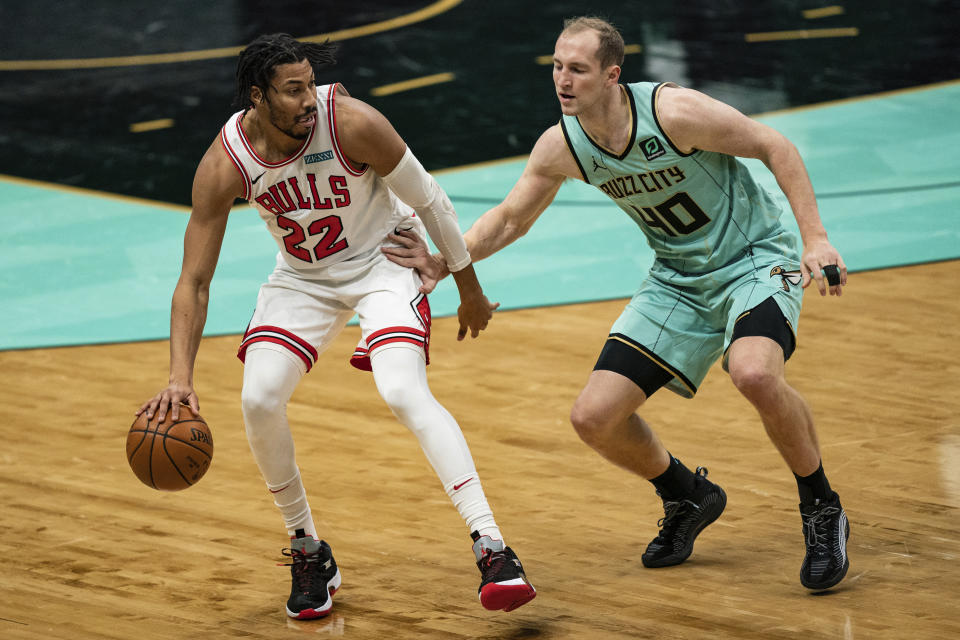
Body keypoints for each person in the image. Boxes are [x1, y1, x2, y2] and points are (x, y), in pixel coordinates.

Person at [384, 16, 851, 591]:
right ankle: (687, 495)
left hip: (753, 257)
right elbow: (509, 219)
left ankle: (821, 506)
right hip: (677, 278)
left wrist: (815, 237)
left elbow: (773, 145)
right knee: (593, 418)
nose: (562, 79)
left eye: (576, 69)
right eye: (557, 66)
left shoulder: (673, 113)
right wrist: (443, 260)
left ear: (612, 75)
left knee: (754, 372)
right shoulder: (565, 143)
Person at [137, 33, 536, 618]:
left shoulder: (351, 122)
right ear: (257, 96)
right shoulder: (226, 162)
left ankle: (493, 548)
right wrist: (179, 377)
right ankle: (307, 548)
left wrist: (467, 286)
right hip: (302, 276)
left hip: (384, 261)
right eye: (291, 89)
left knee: (400, 387)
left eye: (308, 84)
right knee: (258, 398)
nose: (306, 99)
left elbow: (430, 200)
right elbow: (193, 282)